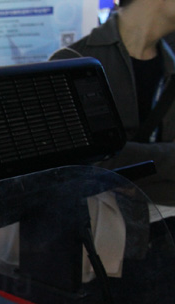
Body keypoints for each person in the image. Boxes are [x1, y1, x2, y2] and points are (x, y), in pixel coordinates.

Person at [51, 0, 175, 211]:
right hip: (97, 225)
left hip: (162, 224)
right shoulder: (73, 61)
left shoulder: (169, 66)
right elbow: (82, 165)